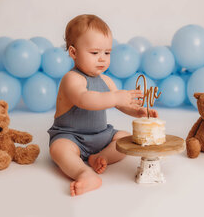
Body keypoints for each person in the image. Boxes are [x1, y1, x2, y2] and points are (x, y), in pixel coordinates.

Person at [48, 14, 158, 196]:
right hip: (71, 136)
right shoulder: (71, 79)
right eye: (94, 53)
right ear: (73, 53)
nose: (102, 59)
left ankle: (101, 157)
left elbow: (122, 105)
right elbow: (85, 99)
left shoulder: (106, 81)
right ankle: (84, 174)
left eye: (107, 53)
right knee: (59, 149)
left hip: (101, 135)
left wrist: (137, 111)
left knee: (126, 138)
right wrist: (115, 97)